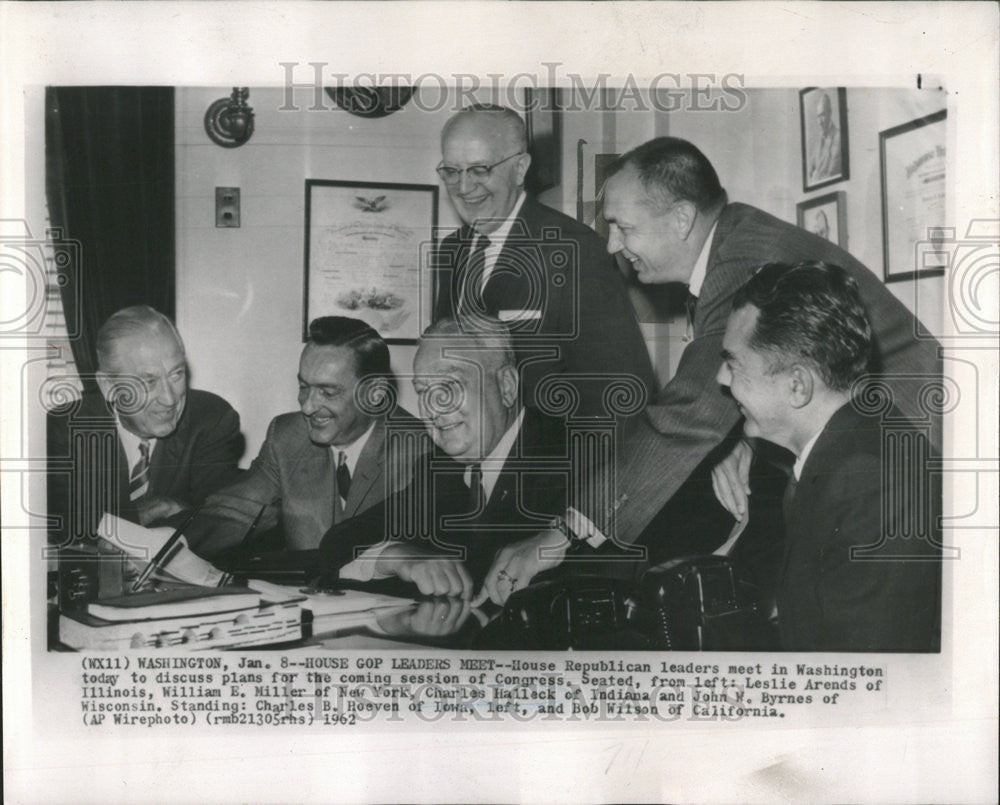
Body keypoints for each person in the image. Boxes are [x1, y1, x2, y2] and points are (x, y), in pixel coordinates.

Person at [477, 136, 943, 604]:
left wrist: (559, 535)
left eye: (622, 227)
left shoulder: (743, 258)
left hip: (907, 450)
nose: (613, 245)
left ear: (681, 219)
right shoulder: (733, 243)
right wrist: (739, 437)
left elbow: (693, 409)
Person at [716, 261, 940, 651]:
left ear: (798, 386)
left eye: (733, 364)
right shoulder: (847, 441)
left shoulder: (868, 482)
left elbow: (862, 680)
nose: (721, 379)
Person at [319, 317, 572, 601]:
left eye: (451, 384)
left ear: (507, 386)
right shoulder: (439, 470)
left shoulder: (571, 455)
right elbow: (338, 542)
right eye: (423, 391)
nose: (432, 408)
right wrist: (395, 556)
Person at [433, 104, 655, 417]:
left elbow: (623, 395)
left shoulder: (576, 252)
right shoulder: (451, 251)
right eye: (452, 172)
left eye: (480, 170)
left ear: (520, 168)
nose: (464, 188)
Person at [181, 316, 422, 558]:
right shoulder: (288, 436)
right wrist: (161, 545)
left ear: (375, 393)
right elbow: (230, 513)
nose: (307, 407)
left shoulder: (419, 451)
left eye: (327, 392)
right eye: (304, 387)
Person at [47, 305, 243, 544]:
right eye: (149, 381)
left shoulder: (211, 419)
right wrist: (147, 511)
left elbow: (221, 523)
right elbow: (60, 526)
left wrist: (112, 523)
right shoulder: (66, 428)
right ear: (109, 386)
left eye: (176, 374)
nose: (169, 398)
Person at [808, 91, 842, 184]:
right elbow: (810, 171)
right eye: (818, 117)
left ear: (830, 113)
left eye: (822, 115)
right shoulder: (818, 142)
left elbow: (832, 173)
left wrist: (816, 176)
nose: (820, 122)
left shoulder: (838, 137)